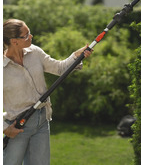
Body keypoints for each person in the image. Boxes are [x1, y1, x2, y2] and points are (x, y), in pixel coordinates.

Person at [3, 19, 92, 165]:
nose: (31, 36)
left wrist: (77, 56)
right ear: (14, 41)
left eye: (29, 32)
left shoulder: (35, 52)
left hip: (42, 121)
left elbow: (59, 68)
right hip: (18, 126)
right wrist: (5, 128)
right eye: (26, 35)